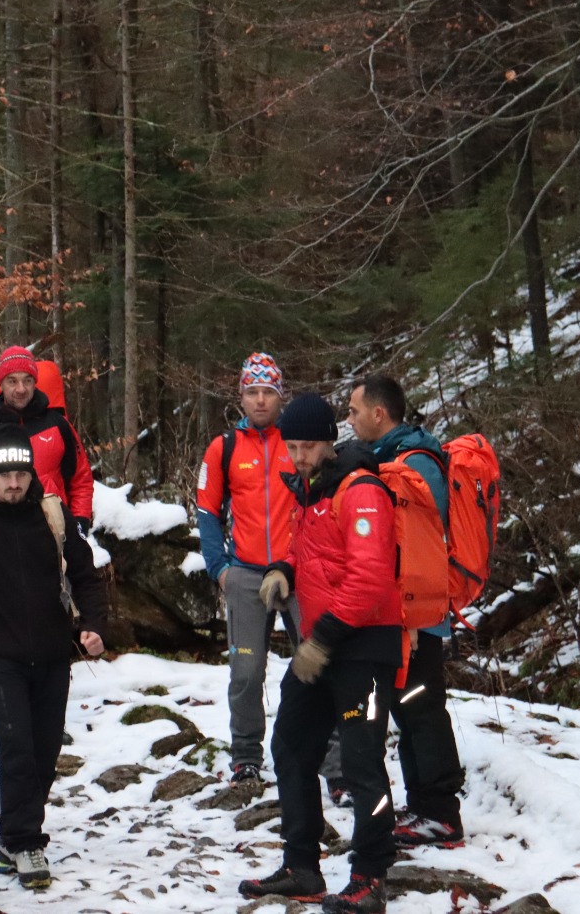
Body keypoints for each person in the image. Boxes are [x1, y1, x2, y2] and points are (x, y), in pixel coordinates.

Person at [0, 425, 108, 891]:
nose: (13, 483)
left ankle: (13, 838)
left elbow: (87, 576)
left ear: (32, 474)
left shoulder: (52, 514)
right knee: (17, 749)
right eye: (4, 474)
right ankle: (27, 841)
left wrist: (93, 625)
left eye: (21, 474)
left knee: (45, 753)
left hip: (52, 653)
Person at [240, 393, 400, 914]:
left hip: (362, 647)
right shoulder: (311, 490)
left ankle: (370, 876)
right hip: (321, 645)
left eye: (309, 445)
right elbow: (305, 547)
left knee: (361, 763)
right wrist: (282, 569)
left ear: (330, 442)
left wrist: (323, 640)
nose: (300, 455)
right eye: (293, 446)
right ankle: (301, 865)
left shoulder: (362, 490)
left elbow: (371, 578)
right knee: (290, 747)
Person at [346, 373, 467, 848]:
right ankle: (424, 807)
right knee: (410, 707)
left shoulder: (414, 465)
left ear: (379, 414)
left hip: (416, 616)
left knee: (422, 709)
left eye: (354, 411)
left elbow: (413, 551)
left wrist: (411, 621)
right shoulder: (398, 458)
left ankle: (442, 814)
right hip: (406, 614)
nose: (349, 419)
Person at [194, 352, 300, 786]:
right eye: (252, 392)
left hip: (299, 573)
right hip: (245, 573)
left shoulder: (298, 442)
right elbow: (206, 510)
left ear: (280, 397)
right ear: (241, 396)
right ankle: (246, 758)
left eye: (268, 393)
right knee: (246, 672)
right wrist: (220, 568)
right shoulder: (225, 448)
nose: (260, 401)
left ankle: (334, 767)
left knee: (318, 665)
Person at [0, 346, 94, 534]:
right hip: (2, 536)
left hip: (55, 533)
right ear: (0, 383)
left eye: (27, 380)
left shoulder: (58, 425)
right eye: (12, 381)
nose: (21, 389)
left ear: (35, 382)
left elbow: (81, 479)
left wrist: (80, 522)